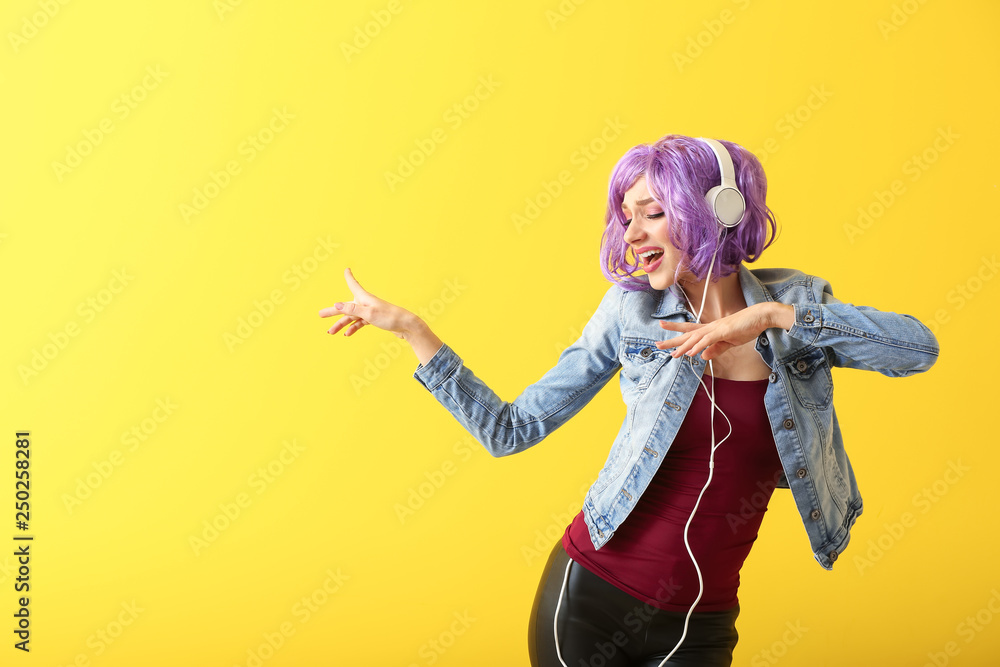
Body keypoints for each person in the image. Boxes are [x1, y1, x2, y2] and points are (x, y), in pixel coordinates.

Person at [319, 134, 940, 666]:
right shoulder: (631, 311)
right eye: (625, 216)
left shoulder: (798, 305)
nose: (630, 233)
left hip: (702, 624)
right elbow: (511, 429)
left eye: (650, 213)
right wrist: (413, 332)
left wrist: (771, 316)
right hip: (590, 600)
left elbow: (918, 351)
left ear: (715, 210)